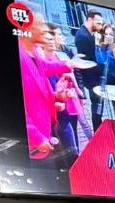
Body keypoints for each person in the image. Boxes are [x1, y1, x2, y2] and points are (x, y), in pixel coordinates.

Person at [18, 16, 93, 161]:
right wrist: (36, 137)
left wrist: (56, 97)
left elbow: (45, 70)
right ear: (28, 28)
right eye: (40, 25)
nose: (46, 30)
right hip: (35, 141)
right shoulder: (20, 56)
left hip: (48, 128)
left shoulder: (34, 52)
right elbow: (16, 105)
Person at [74, 9, 105, 129]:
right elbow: (89, 58)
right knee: (97, 104)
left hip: (93, 75)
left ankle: (99, 127)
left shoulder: (89, 34)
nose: (100, 26)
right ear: (89, 19)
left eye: (101, 23)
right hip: (90, 76)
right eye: (98, 23)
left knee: (98, 105)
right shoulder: (83, 35)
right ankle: (98, 129)